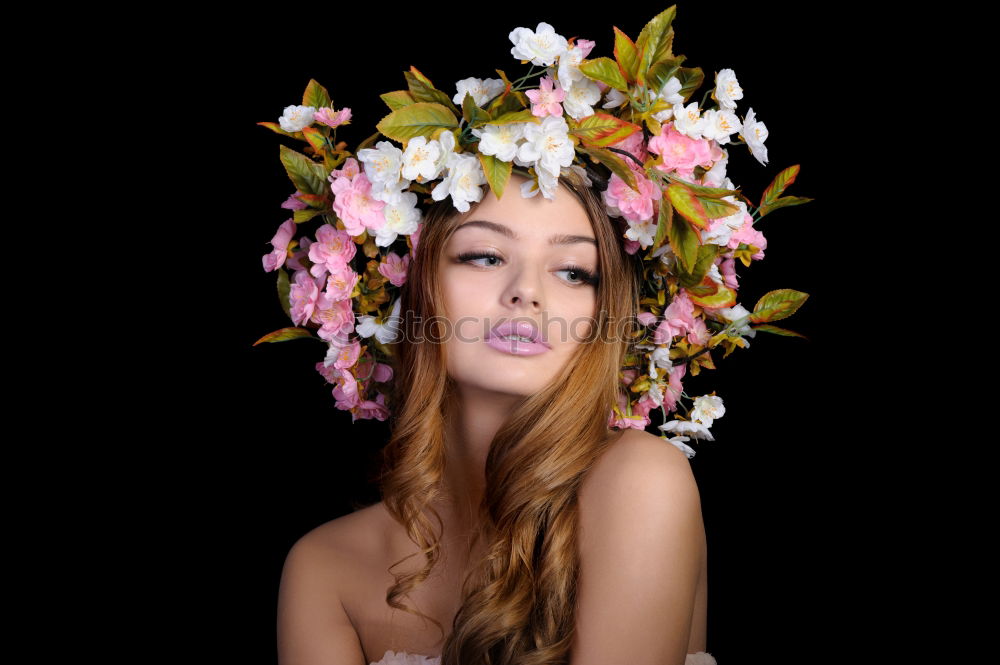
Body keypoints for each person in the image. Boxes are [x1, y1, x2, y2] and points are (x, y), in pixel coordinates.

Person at [275, 168, 714, 665]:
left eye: (573, 271)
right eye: (485, 256)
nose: (526, 291)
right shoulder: (324, 566)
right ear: (413, 288)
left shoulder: (641, 480)